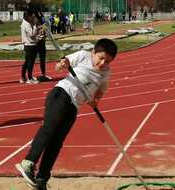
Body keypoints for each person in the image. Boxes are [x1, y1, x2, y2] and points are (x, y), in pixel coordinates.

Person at [15, 38, 118, 190]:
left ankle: (42, 179)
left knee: (56, 143)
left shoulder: (106, 73)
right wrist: (63, 64)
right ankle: (28, 162)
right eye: (101, 58)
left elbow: (101, 90)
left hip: (74, 107)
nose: (103, 63)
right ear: (93, 52)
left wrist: (95, 100)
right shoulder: (83, 56)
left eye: (107, 61)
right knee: (49, 128)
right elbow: (58, 66)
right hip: (61, 94)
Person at [20, 10, 39, 84]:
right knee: (30, 63)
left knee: (27, 62)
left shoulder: (24, 23)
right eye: (32, 16)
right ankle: (30, 78)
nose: (33, 18)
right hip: (30, 45)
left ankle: (23, 77)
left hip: (28, 45)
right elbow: (32, 34)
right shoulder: (27, 24)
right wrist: (35, 26)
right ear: (28, 16)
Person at [35, 11, 52, 82]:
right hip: (35, 44)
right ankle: (28, 76)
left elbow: (47, 33)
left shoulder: (44, 25)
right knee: (31, 60)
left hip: (42, 44)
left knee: (42, 60)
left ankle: (43, 74)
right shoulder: (34, 25)